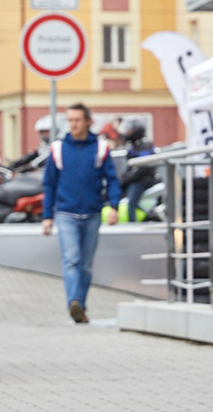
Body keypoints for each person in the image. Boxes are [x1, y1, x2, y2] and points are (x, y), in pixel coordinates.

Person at [40, 103, 121, 324]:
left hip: (92, 213)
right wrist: (47, 216)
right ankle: (73, 301)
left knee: (85, 265)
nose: (73, 125)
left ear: (87, 122)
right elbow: (49, 184)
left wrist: (113, 206)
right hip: (66, 214)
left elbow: (112, 179)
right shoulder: (57, 149)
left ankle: (80, 307)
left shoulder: (100, 148)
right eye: (70, 120)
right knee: (72, 259)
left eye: (77, 120)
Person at [116, 118, 156, 222]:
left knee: (131, 204)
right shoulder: (133, 146)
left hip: (142, 180)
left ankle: (133, 226)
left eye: (129, 130)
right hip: (134, 180)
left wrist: (127, 178)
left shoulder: (144, 144)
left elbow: (143, 166)